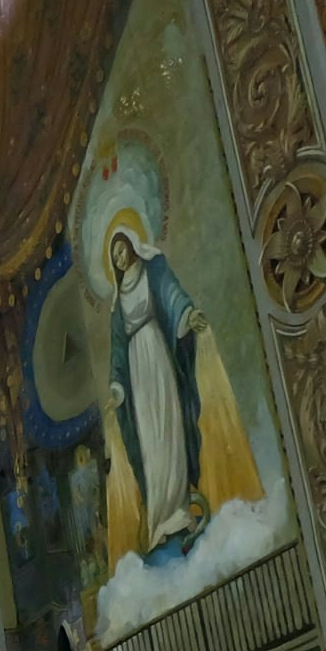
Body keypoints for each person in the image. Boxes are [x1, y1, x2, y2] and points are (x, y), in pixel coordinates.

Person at [105, 226, 210, 552]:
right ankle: (160, 520)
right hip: (137, 370)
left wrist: (187, 315)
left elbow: (171, 294)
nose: (120, 258)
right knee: (150, 438)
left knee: (169, 426)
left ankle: (180, 509)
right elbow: (118, 348)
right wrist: (116, 385)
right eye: (115, 256)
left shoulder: (153, 269)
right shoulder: (118, 298)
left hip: (157, 352)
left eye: (121, 250)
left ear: (132, 245)